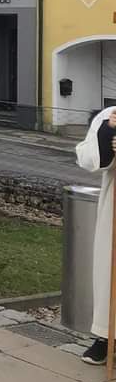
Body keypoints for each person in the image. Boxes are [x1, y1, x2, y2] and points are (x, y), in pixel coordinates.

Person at [75, 107, 116, 366]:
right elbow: (89, 159)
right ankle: (107, 336)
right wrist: (108, 134)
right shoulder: (109, 115)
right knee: (110, 273)